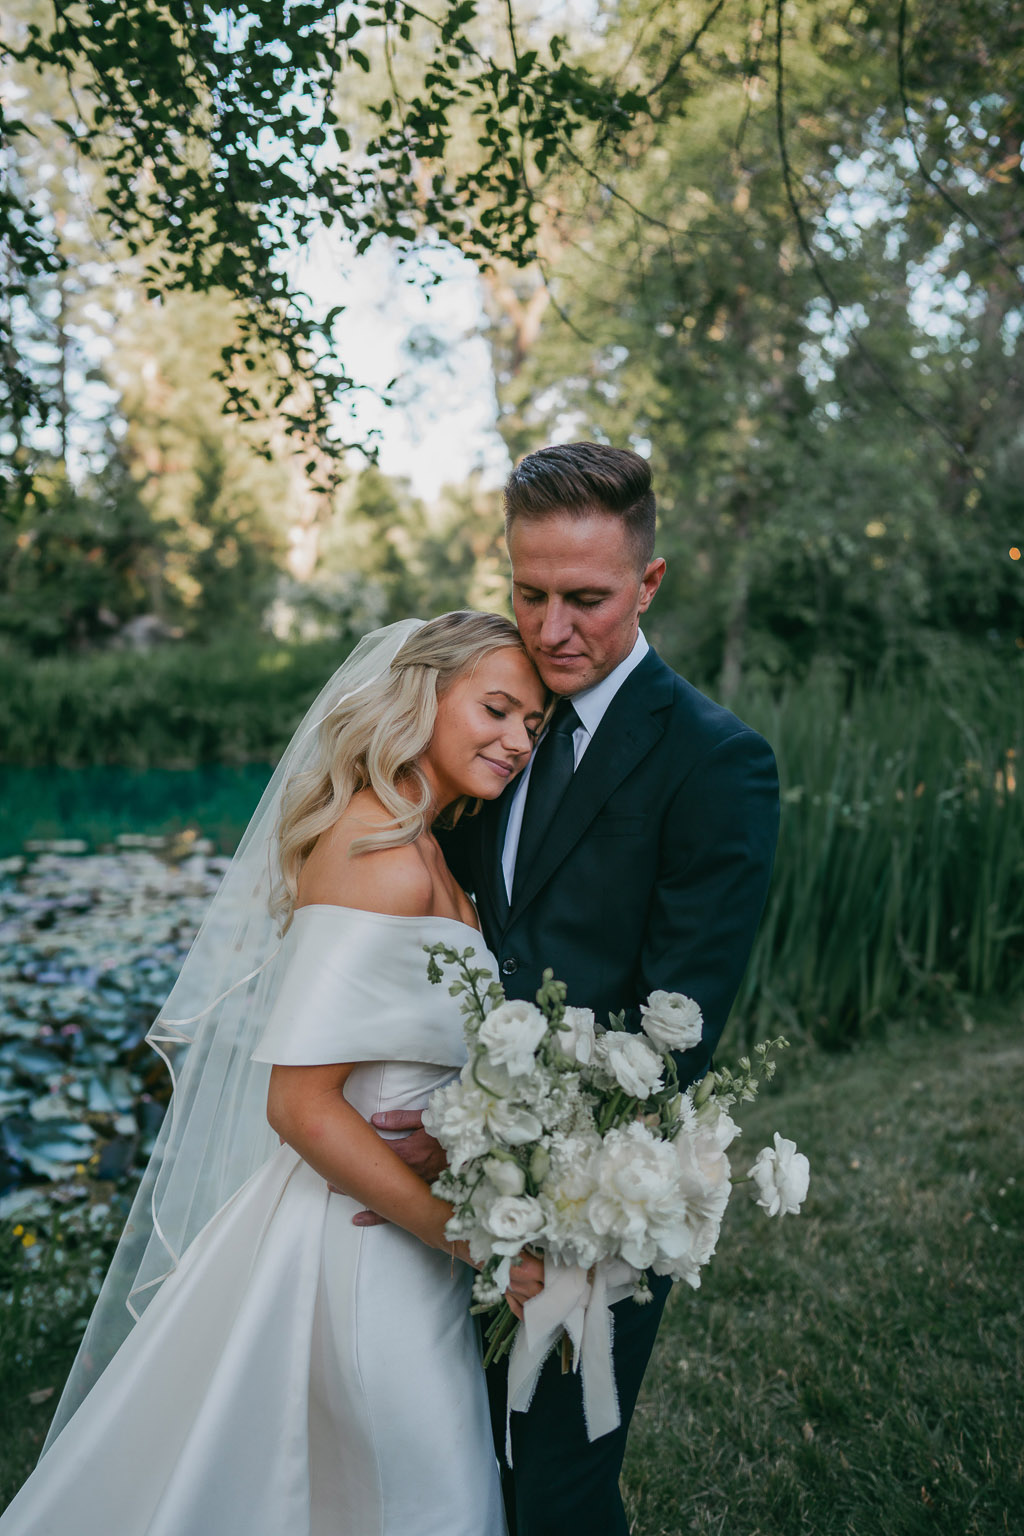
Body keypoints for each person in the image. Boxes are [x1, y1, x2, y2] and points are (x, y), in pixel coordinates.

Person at [0, 611, 548, 1536]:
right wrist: (472, 1243)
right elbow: (299, 1105)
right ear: (424, 693)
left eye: (532, 726)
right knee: (421, 1497)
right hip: (364, 1249)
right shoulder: (378, 851)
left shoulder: (429, 853)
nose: (516, 741)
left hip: (399, 1234)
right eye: (497, 710)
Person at [364, 444, 781, 1536]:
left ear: (648, 585)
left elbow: (672, 1032)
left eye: (584, 600)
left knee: (555, 1485)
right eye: (528, 592)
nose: (550, 629)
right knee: (449, 1464)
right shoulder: (493, 720)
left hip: (599, 1193)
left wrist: (478, 1152)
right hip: (438, 1190)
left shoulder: (715, 762)